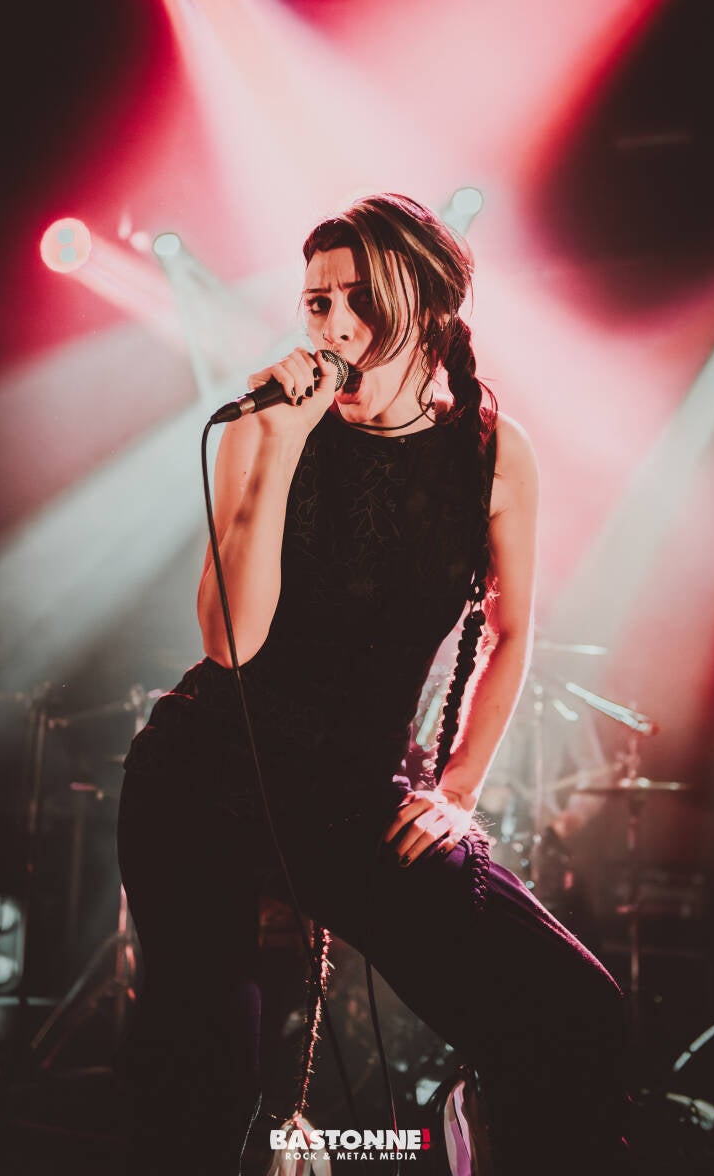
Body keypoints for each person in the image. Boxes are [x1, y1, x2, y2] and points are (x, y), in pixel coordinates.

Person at [117, 193, 630, 1175]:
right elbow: (229, 642)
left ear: (430, 308)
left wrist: (457, 790)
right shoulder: (263, 429)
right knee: (205, 1073)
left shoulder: (491, 454)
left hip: (352, 799)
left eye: (360, 297)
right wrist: (277, 447)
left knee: (572, 1010)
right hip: (204, 776)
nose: (335, 323)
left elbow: (513, 629)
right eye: (317, 301)